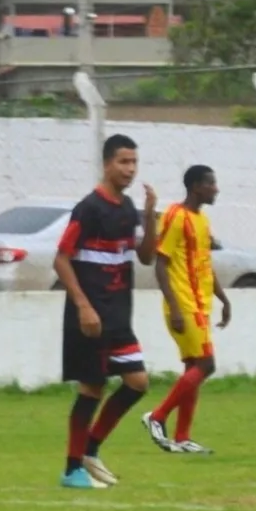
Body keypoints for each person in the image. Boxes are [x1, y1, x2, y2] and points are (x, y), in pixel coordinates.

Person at [52, 133, 160, 489]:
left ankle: (90, 450)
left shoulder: (127, 208)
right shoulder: (89, 208)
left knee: (137, 382)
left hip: (118, 315)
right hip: (92, 315)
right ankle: (72, 470)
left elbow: (145, 257)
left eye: (134, 163)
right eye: (123, 162)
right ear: (106, 164)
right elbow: (61, 258)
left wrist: (149, 217)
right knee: (92, 388)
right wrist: (83, 306)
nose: (129, 169)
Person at [146, 164, 231, 455]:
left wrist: (223, 299)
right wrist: (174, 306)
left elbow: (205, 265)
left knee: (193, 368)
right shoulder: (175, 216)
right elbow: (160, 263)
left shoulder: (202, 221)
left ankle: (182, 437)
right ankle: (157, 416)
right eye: (211, 183)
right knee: (207, 365)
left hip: (200, 304)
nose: (215, 188)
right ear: (196, 186)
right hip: (183, 304)